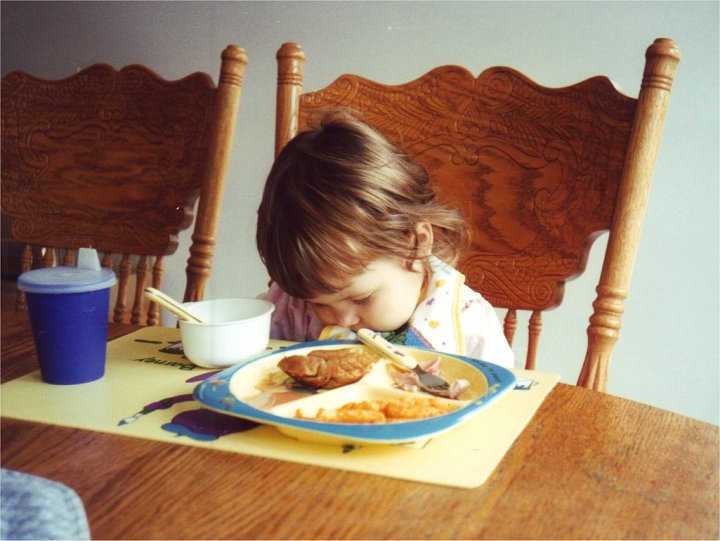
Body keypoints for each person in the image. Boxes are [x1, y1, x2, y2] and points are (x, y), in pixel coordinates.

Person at [256, 110, 514, 368]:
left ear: (414, 243)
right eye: (319, 304)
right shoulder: (292, 307)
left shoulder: (466, 321)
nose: (343, 320)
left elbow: (504, 399)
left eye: (361, 298)